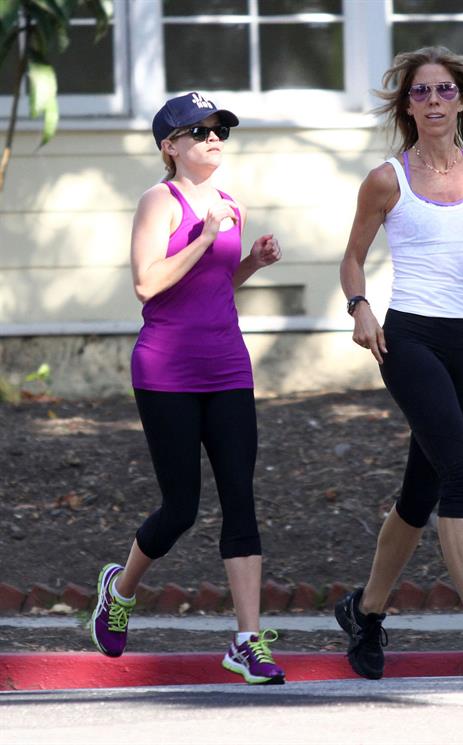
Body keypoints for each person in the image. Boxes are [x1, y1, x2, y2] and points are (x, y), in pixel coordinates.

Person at [335, 46, 463, 680]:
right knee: (462, 474)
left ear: (462, 101)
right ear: (407, 106)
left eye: (443, 91)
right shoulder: (386, 179)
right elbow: (351, 259)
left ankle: (364, 613)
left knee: (420, 494)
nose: (432, 102)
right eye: (420, 93)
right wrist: (360, 306)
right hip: (409, 340)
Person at [90, 91, 285, 685]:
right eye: (198, 131)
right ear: (169, 146)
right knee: (181, 508)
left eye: (219, 128)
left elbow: (214, 284)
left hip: (228, 366)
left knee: (240, 499)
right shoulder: (159, 201)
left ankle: (247, 641)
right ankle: (119, 590)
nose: (212, 138)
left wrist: (249, 261)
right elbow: (149, 285)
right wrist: (203, 236)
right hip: (167, 370)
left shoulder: (230, 204)